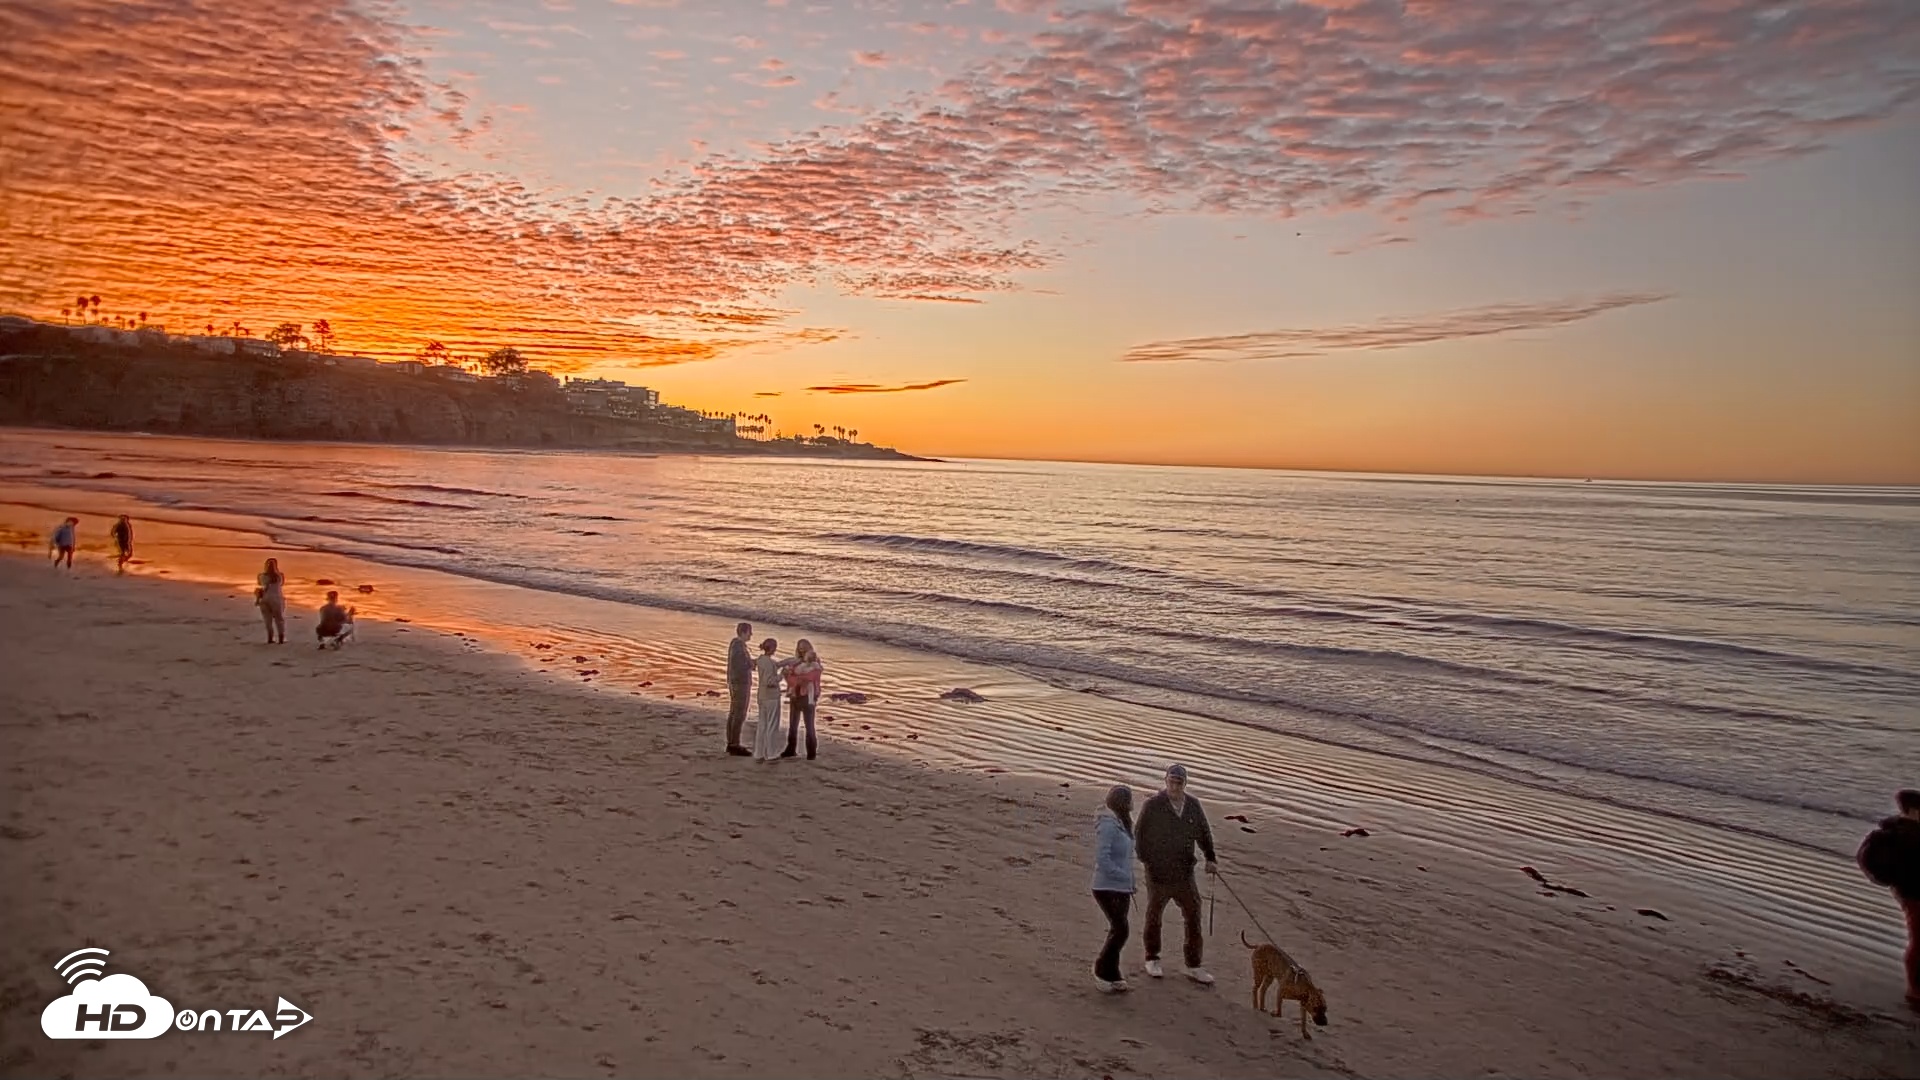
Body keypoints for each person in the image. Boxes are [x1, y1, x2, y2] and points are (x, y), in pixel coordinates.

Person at [1134, 762, 1217, 984]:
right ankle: (1152, 958)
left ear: (1185, 783)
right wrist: (1148, 862)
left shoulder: (1193, 805)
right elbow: (1140, 835)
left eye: (1179, 782)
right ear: (1166, 781)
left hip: (1184, 873)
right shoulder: (1153, 805)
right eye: (1172, 781)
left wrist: (1210, 858)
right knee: (1154, 915)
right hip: (1158, 874)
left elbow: (1203, 832)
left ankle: (1193, 965)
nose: (1175, 786)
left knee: (1193, 915)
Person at [1857, 789, 1920, 1011]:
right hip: (1913, 892)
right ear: (1912, 809)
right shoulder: (1905, 833)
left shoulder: (1895, 829)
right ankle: (1915, 991)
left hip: (1906, 890)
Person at [1091, 784, 1137, 993]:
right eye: (1129, 799)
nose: (1132, 803)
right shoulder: (1108, 824)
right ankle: (1101, 970)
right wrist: (1122, 876)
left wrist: (1129, 882)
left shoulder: (1123, 822)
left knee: (1119, 929)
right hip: (1105, 886)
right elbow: (1103, 858)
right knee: (1121, 929)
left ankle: (1113, 972)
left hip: (1122, 887)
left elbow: (1127, 855)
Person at [781, 639, 823, 760]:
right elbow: (789, 678)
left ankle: (811, 752)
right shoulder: (795, 662)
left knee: (809, 725)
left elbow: (811, 677)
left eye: (804, 647)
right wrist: (792, 678)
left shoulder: (815, 663)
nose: (802, 650)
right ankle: (790, 749)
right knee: (793, 724)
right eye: (800, 648)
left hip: (808, 696)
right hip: (796, 695)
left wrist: (795, 678)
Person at [751, 638, 789, 762]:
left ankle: (759, 752)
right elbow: (770, 681)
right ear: (772, 648)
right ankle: (771, 753)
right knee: (772, 725)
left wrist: (786, 663)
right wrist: (782, 675)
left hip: (762, 696)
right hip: (771, 697)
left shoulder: (761, 660)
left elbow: (774, 665)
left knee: (762, 725)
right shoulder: (768, 663)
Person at [725, 622, 754, 756]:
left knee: (734, 712)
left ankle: (732, 742)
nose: (751, 635)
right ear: (743, 632)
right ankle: (734, 744)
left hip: (735, 681)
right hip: (740, 683)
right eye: (749, 632)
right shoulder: (738, 646)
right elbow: (742, 665)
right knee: (739, 713)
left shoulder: (736, 645)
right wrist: (752, 663)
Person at [255, 558, 287, 644]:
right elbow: (282, 584)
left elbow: (260, 584)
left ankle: (270, 637)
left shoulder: (261, 576)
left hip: (265, 598)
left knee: (267, 619)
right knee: (279, 619)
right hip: (276, 598)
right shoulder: (279, 576)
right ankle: (281, 638)